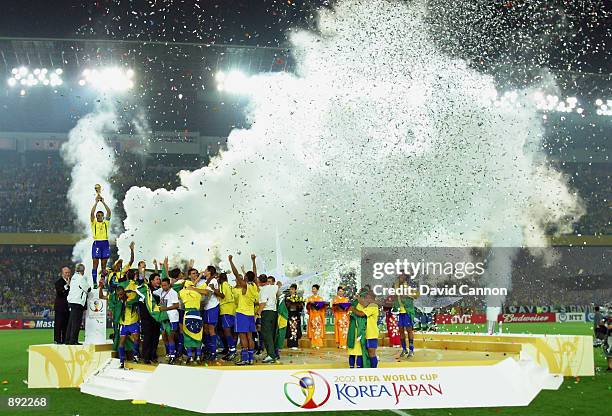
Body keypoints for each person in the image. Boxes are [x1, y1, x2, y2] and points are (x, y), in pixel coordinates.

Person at [228, 254, 259, 365]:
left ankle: (245, 359)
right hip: (250, 314)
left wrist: (231, 261)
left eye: (245, 276)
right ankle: (250, 358)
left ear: (245, 278)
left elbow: (236, 274)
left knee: (242, 336)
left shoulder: (245, 286)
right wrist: (253, 261)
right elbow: (255, 274)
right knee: (249, 336)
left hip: (242, 313)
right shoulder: (255, 286)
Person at [179, 268, 204, 364]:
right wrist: (201, 276)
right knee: (198, 335)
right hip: (197, 314)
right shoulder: (198, 292)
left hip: (188, 314)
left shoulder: (182, 293)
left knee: (187, 335)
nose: (195, 276)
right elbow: (204, 291)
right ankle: (198, 356)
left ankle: (190, 357)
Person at [155, 277, 180, 364]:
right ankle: (169, 353)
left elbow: (177, 305)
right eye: (162, 285)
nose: (163, 287)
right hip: (164, 317)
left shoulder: (173, 293)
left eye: (165, 285)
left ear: (169, 285)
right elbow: (152, 292)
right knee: (164, 336)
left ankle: (173, 355)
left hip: (172, 318)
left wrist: (166, 308)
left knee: (171, 337)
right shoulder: (161, 291)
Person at [351, 290, 379, 368]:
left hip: (372, 334)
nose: (365, 299)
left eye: (366, 297)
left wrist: (352, 309)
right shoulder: (368, 305)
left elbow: (361, 313)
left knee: (371, 353)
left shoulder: (373, 305)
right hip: (366, 334)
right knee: (365, 353)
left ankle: (374, 370)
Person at [66, 264, 91, 345]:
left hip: (72, 301)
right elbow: (88, 288)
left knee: (71, 322)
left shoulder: (73, 277)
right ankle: (73, 340)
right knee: (76, 322)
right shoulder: (81, 278)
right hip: (78, 302)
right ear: (82, 271)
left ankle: (68, 340)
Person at [140, 273, 162, 364]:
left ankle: (153, 356)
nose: (159, 281)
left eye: (159, 279)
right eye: (157, 279)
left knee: (155, 337)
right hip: (147, 318)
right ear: (152, 281)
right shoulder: (146, 290)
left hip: (156, 318)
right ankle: (146, 357)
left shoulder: (160, 291)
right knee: (148, 337)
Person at [257, 274, 279, 363]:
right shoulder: (273, 287)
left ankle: (271, 355)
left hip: (266, 312)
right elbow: (278, 286)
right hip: (274, 312)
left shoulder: (263, 290)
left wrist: (257, 313)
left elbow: (263, 303)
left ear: (260, 282)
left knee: (267, 334)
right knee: (272, 334)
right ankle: (273, 354)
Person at [90, 195, 111, 286]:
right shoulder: (93, 223)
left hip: (105, 243)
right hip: (97, 243)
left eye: (100, 215)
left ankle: (102, 281)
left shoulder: (106, 223)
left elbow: (109, 212)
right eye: (97, 216)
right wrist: (96, 202)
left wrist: (103, 202)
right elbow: (91, 213)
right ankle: (94, 281)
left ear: (103, 217)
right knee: (95, 264)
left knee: (103, 265)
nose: (98, 217)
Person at [396, 272, 418, 358]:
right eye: (400, 275)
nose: (400, 277)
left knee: (409, 330)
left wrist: (407, 295)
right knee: (401, 330)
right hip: (399, 311)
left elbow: (416, 295)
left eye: (402, 275)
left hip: (408, 311)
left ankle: (411, 349)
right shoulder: (397, 285)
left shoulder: (410, 284)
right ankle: (404, 349)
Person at [217, 272, 237, 361]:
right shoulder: (229, 285)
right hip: (232, 309)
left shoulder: (223, 284)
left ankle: (232, 352)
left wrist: (214, 290)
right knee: (231, 331)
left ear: (220, 279)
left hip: (226, 309)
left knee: (227, 331)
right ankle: (231, 350)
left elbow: (222, 295)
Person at [53, 266, 71, 344]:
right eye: (66, 273)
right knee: (58, 324)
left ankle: (65, 339)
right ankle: (57, 340)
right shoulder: (58, 282)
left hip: (68, 307)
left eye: (68, 273)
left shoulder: (72, 282)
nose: (67, 274)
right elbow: (60, 292)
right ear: (62, 273)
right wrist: (67, 285)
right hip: (60, 307)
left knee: (66, 324)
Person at [306, 284, 327, 349]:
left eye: (314, 289)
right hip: (312, 315)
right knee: (313, 329)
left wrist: (323, 306)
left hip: (318, 316)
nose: (313, 290)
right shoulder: (310, 298)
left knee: (318, 329)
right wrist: (310, 305)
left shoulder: (320, 299)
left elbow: (323, 308)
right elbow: (307, 308)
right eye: (312, 289)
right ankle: (313, 343)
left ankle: (318, 343)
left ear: (317, 290)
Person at [285, 284, 304, 349]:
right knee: (290, 329)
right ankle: (289, 344)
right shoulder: (287, 297)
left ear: (295, 290)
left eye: (292, 289)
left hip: (295, 314)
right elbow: (285, 306)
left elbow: (301, 307)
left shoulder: (298, 297)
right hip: (289, 314)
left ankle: (295, 344)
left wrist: (298, 304)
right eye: (290, 289)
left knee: (295, 329)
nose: (291, 290)